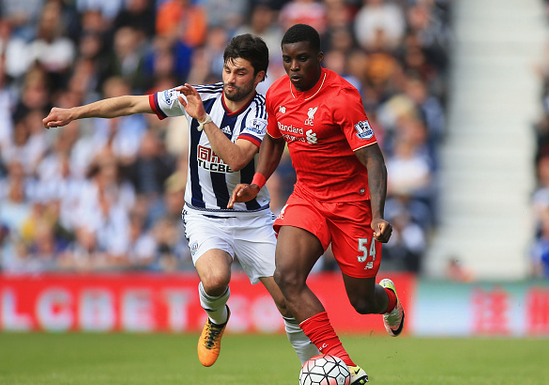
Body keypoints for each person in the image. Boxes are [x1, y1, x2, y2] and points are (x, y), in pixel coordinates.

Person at [43, 33, 317, 367]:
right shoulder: (198, 95)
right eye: (228, 70)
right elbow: (131, 103)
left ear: (260, 76)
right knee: (215, 280)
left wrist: (202, 118)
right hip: (204, 214)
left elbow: (236, 159)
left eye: (241, 72)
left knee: (289, 302)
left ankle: (312, 367)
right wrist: (74, 112)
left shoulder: (263, 112)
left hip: (251, 218)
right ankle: (217, 319)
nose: (231, 79)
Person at [229, 24, 404, 384]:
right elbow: (275, 141)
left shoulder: (342, 97)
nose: (294, 67)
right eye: (288, 59)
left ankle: (388, 301)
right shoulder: (277, 94)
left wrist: (378, 216)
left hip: (351, 206)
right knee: (286, 277)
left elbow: (373, 159)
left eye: (303, 59)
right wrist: (257, 183)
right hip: (308, 196)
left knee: (361, 300)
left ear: (319, 58)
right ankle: (344, 364)